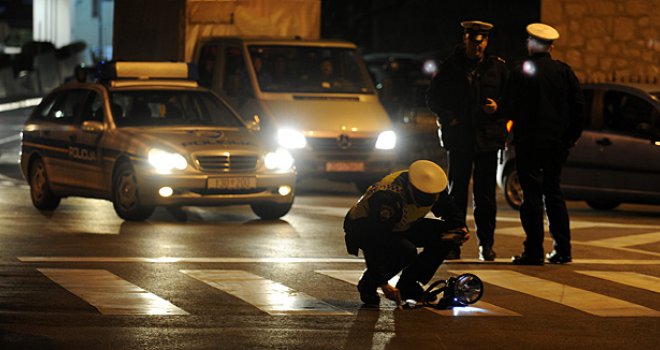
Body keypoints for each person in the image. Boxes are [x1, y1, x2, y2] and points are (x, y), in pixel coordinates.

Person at [426, 20, 509, 261]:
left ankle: (487, 244)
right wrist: (449, 116)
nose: (478, 48)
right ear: (466, 40)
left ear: (486, 43)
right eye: (474, 44)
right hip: (460, 138)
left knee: (485, 196)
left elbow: (512, 98)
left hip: (487, 139)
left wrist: (498, 107)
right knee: (456, 194)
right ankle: (455, 243)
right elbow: (432, 98)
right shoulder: (450, 67)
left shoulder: (497, 68)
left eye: (482, 44)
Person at [504, 23, 585, 265]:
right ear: (551, 46)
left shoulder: (521, 72)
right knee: (554, 193)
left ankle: (534, 250)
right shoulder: (564, 72)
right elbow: (579, 107)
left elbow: (508, 107)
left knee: (531, 197)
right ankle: (563, 249)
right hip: (556, 144)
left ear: (530, 43)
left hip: (529, 142)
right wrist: (570, 137)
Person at [343, 160, 469, 307]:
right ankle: (368, 284)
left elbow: (448, 209)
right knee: (406, 251)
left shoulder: (435, 188)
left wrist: (461, 227)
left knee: (448, 236)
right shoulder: (387, 196)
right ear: (410, 188)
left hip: (401, 224)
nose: (427, 202)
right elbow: (374, 241)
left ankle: (408, 285)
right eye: (422, 198)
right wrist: (384, 283)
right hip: (364, 227)